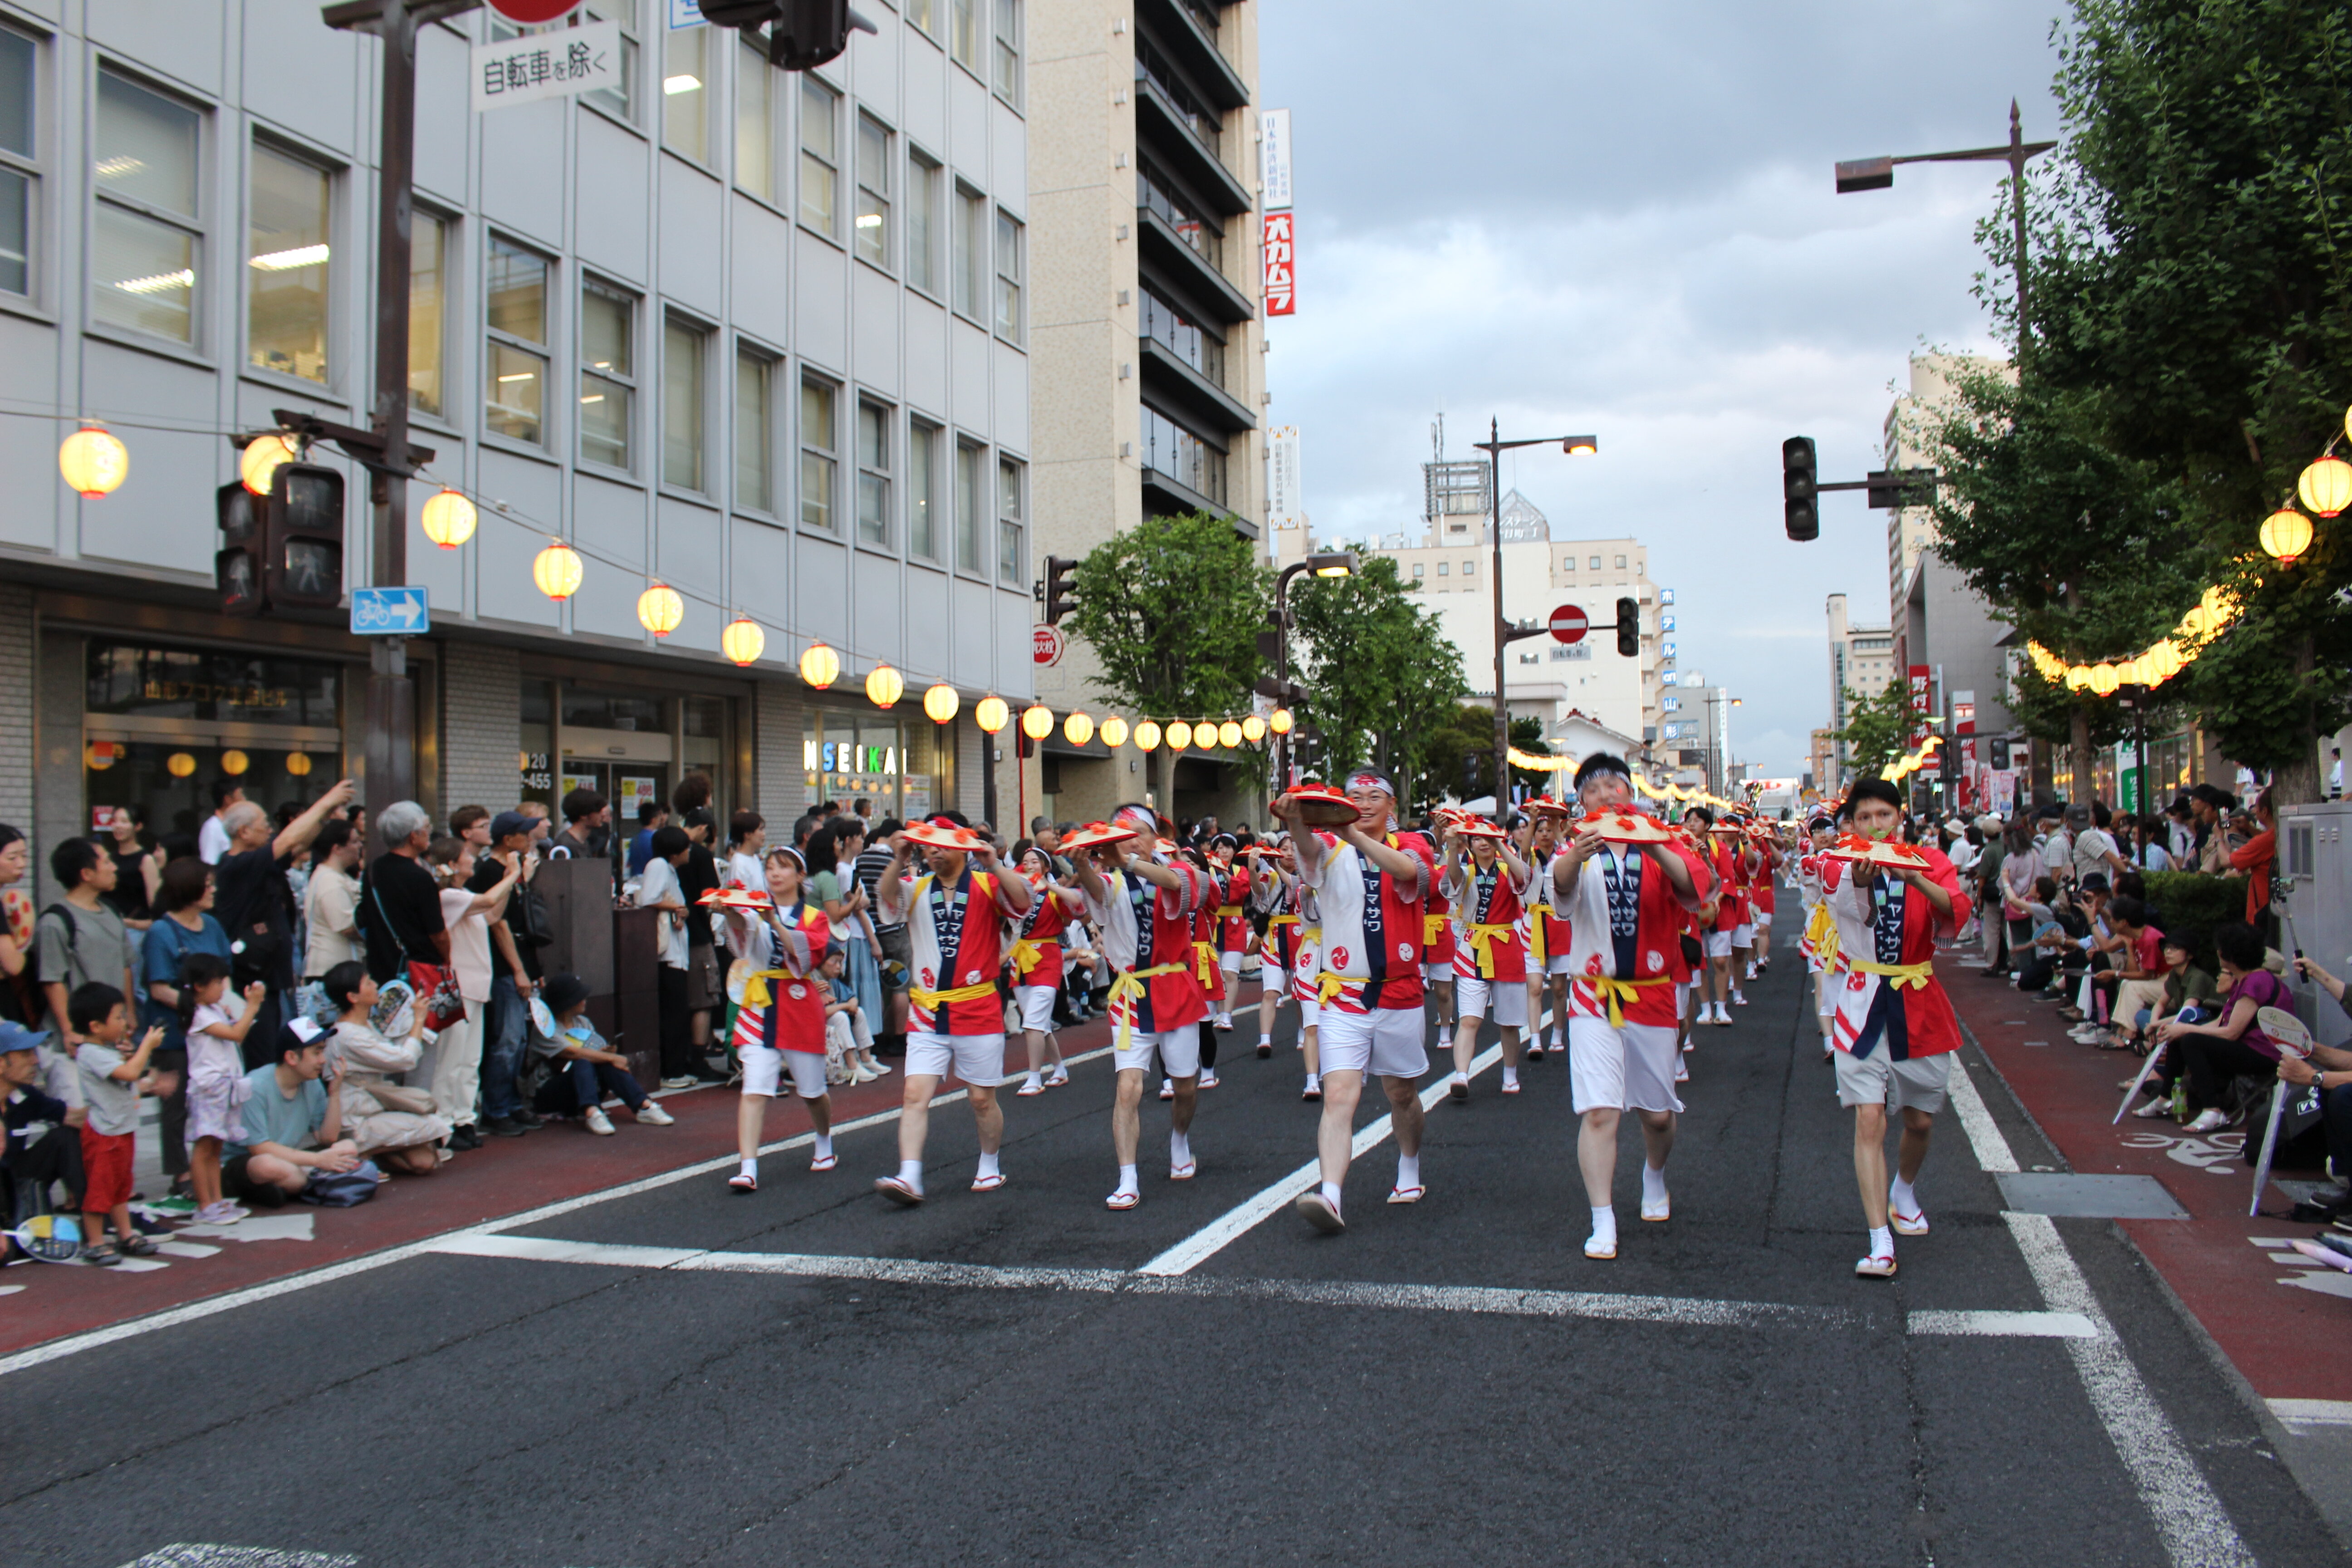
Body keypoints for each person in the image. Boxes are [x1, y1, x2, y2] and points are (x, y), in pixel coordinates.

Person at [1547, 756, 1708, 1259]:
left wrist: (1655, 844)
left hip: (1654, 993)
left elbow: (1693, 892)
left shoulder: (1661, 840)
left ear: (1631, 792)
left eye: (1616, 783)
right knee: (1600, 1112)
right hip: (1593, 996)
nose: (1608, 793)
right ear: (1581, 801)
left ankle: (1654, 1173)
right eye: (1594, 788)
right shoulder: (1575, 848)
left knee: (1657, 1116)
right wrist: (1577, 853)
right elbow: (1561, 891)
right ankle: (1603, 1218)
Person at [1270, 770, 1436, 1233]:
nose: (1364, 804)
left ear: (1393, 809)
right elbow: (1306, 853)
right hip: (1342, 992)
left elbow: (1409, 875)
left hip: (1400, 992)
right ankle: (1332, 1195)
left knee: (1401, 1093)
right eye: (1355, 797)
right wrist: (1296, 822)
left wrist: (1353, 835)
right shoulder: (1331, 847)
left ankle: (1408, 1166)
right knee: (1339, 1095)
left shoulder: (1412, 846)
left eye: (1374, 797)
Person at [1823, 779, 1971, 1280]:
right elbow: (1849, 911)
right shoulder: (1842, 864)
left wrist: (1911, 876)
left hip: (1919, 999)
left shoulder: (1931, 859)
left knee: (1921, 1120)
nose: (1874, 826)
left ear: (1900, 819)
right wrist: (1865, 879)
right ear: (1852, 824)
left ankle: (1903, 1190)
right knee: (1869, 1118)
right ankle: (1879, 1241)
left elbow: (1956, 911)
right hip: (1863, 1000)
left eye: (1883, 816)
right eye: (1863, 818)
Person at [873, 818, 1032, 1205]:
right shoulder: (916, 888)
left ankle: (990, 1162)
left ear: (962, 847)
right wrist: (898, 860)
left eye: (944, 844)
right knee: (914, 1094)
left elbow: (1023, 901)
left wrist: (994, 862)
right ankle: (910, 1176)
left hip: (977, 1007)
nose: (935, 850)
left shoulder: (986, 883)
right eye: (929, 845)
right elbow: (885, 899)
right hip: (928, 1010)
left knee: (981, 1098)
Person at [1070, 809, 1211, 1208]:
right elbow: (1097, 894)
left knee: (1185, 1084)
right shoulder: (1111, 881)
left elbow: (1176, 887)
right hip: (1131, 994)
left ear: (1156, 838)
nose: (1132, 840)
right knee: (1128, 1087)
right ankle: (1127, 1177)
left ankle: (1180, 1138)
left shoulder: (1179, 869)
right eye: (1124, 835)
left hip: (1176, 988)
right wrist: (1083, 867)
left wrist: (1130, 862)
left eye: (1140, 834)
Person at [720, 849, 836, 1191]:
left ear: (801, 876)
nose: (774, 873)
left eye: (783, 868)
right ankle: (748, 1167)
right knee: (754, 1088)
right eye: (769, 867)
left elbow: (804, 959)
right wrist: (730, 911)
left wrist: (773, 921)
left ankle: (824, 1139)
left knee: (813, 1092)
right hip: (758, 1004)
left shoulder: (815, 917)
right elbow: (742, 937)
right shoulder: (755, 907)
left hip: (799, 1005)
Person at [218, 781, 355, 1067]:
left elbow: (300, 843)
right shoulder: (237, 866)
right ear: (244, 832)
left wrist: (326, 817)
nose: (270, 830)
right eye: (263, 825)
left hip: (278, 975)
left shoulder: (260, 863)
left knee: (294, 1039)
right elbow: (288, 841)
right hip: (253, 981)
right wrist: (326, 801)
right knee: (266, 1054)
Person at [2147, 922, 2293, 1132]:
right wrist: (2179, 1030)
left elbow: (2231, 1032)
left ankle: (2213, 1111)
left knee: (2191, 1039)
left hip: (2266, 1055)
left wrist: (2186, 1030)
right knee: (2183, 1036)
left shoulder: (2255, 982)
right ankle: (2165, 1098)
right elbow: (2220, 1023)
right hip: (2257, 1050)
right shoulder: (2250, 980)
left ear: (2227, 955)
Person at [425, 836, 522, 1147]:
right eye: (466, 855)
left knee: (469, 1060)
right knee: (451, 1060)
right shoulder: (447, 896)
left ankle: (464, 1118)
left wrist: (510, 883)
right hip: (457, 987)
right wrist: (513, 876)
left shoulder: (464, 894)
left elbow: (492, 915)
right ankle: (444, 1124)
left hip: (475, 986)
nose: (472, 859)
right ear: (453, 865)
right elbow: (489, 903)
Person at [318, 959, 451, 1174]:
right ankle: (361, 1152)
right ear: (353, 997)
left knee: (424, 1162)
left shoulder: (363, 1024)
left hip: (375, 1109)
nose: (375, 985)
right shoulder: (349, 1036)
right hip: (356, 1118)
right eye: (368, 983)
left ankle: (373, 1156)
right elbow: (405, 1060)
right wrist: (418, 1020)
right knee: (434, 1124)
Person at [1439, 817, 1535, 1100]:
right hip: (1472, 950)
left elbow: (1525, 878)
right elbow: (1453, 881)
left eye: (1488, 838)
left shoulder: (1508, 866)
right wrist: (1452, 846)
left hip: (1506, 948)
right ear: (1470, 844)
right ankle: (1461, 1075)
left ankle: (1509, 1073)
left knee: (1508, 1022)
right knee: (1469, 1019)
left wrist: (1501, 845)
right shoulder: (1466, 870)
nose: (1483, 843)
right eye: (1477, 838)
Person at [222, 1018, 364, 1205]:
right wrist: (317, 1160)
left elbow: (327, 1138)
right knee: (268, 1166)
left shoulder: (312, 1084)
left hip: (289, 1158)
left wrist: (335, 1092)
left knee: (349, 1147)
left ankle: (289, 1187)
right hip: (246, 1162)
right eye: (316, 1052)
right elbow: (259, 1148)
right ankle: (300, 1183)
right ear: (291, 1058)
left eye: (323, 1051)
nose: (323, 1060)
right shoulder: (255, 1086)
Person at [72, 982, 166, 1264]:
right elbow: (129, 1073)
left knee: (121, 1187)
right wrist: (146, 1047)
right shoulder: (91, 1053)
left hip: (121, 1129)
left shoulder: (105, 1050)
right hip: (105, 1133)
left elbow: (129, 1071)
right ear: (96, 1026)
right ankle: (96, 1241)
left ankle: (125, 1233)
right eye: (118, 1017)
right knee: (100, 1189)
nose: (124, 1022)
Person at [472, 811, 548, 1140]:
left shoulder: (512, 871)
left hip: (518, 963)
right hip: (503, 967)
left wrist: (532, 970)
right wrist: (519, 970)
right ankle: (496, 1108)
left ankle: (512, 1104)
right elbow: (499, 924)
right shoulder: (491, 871)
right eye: (524, 833)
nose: (530, 837)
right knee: (508, 1040)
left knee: (517, 1041)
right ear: (508, 839)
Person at [37, 837, 137, 1078]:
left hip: (111, 1039)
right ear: (87, 874)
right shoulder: (56, 921)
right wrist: (70, 1031)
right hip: (77, 1045)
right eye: (107, 861)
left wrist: (128, 1015)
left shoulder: (112, 912)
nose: (114, 867)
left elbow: (124, 966)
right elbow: (53, 980)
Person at [181, 953, 266, 1224]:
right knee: (204, 1146)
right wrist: (252, 1006)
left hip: (224, 1087)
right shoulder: (198, 1015)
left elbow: (235, 1033)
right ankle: (205, 1204)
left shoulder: (214, 1011)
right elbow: (236, 1034)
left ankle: (218, 1201)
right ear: (200, 986)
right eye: (218, 983)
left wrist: (245, 1012)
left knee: (216, 1146)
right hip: (209, 1089)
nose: (222, 990)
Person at [536, 972, 673, 1134]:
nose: (585, 1000)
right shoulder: (545, 1029)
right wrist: (612, 1057)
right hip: (550, 1093)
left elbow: (594, 1054)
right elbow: (572, 1053)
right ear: (569, 1002)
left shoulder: (583, 1022)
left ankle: (643, 1105)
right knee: (584, 1062)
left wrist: (606, 1054)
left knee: (606, 1064)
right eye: (581, 997)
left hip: (584, 1089)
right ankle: (592, 1113)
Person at [2, 1019, 86, 1258]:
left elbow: (74, 1118)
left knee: (65, 1137)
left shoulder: (26, 1095)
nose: (35, 1061)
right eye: (26, 1054)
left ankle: (96, 1220)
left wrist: (120, 1086)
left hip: (17, 1179)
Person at [633, 824, 709, 1088]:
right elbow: (648, 899)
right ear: (676, 851)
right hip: (668, 955)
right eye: (686, 847)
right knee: (674, 1013)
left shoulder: (668, 869)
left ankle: (675, 1068)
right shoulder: (658, 866)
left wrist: (679, 911)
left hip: (675, 952)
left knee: (677, 1012)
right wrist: (679, 907)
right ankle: (672, 1071)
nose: (690, 851)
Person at [1010, 843, 1080, 1097]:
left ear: (1046, 866)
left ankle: (1034, 1077)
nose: (1029, 866)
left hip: (1047, 959)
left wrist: (1049, 885)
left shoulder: (1053, 894)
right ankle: (1059, 1069)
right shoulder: (1016, 892)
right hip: (1021, 960)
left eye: (1035, 862)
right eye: (1025, 862)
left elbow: (1077, 906)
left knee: (1033, 1023)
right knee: (1038, 1024)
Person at [301, 817, 365, 984]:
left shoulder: (338, 877)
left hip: (341, 967)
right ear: (337, 848)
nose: (360, 846)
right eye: (355, 842)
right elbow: (346, 926)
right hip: (331, 971)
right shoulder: (329, 881)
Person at [550, 789, 611, 866]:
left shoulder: (584, 842)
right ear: (584, 815)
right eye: (598, 811)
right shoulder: (564, 846)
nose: (603, 815)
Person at [198, 779, 244, 865]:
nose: (244, 800)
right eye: (241, 796)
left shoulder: (237, 825)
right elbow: (210, 863)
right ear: (228, 800)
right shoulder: (213, 827)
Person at [627, 799, 671, 876]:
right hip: (652, 879)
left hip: (636, 879)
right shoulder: (656, 839)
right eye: (659, 818)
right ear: (653, 820)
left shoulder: (635, 839)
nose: (660, 820)